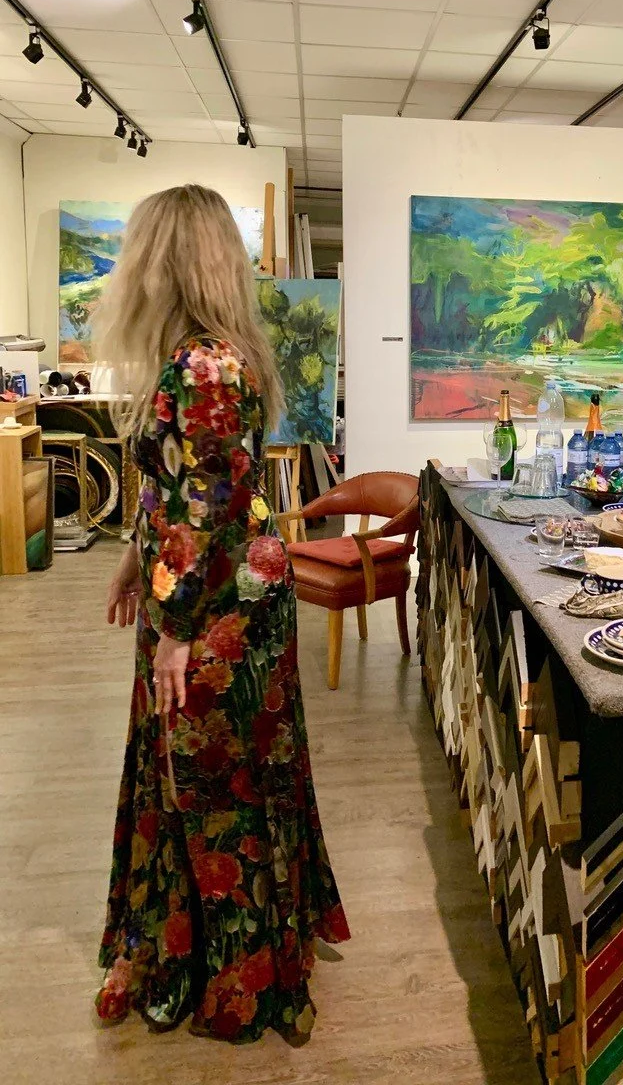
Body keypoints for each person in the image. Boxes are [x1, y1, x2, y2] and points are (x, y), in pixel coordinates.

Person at [93, 184, 348, 1044]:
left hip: (213, 614)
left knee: (214, 790)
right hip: (210, 595)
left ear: (163, 259)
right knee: (196, 782)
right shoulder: (208, 355)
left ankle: (229, 972)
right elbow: (176, 489)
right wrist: (135, 554)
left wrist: (172, 631)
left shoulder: (206, 364)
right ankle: (170, 948)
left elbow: (206, 508)